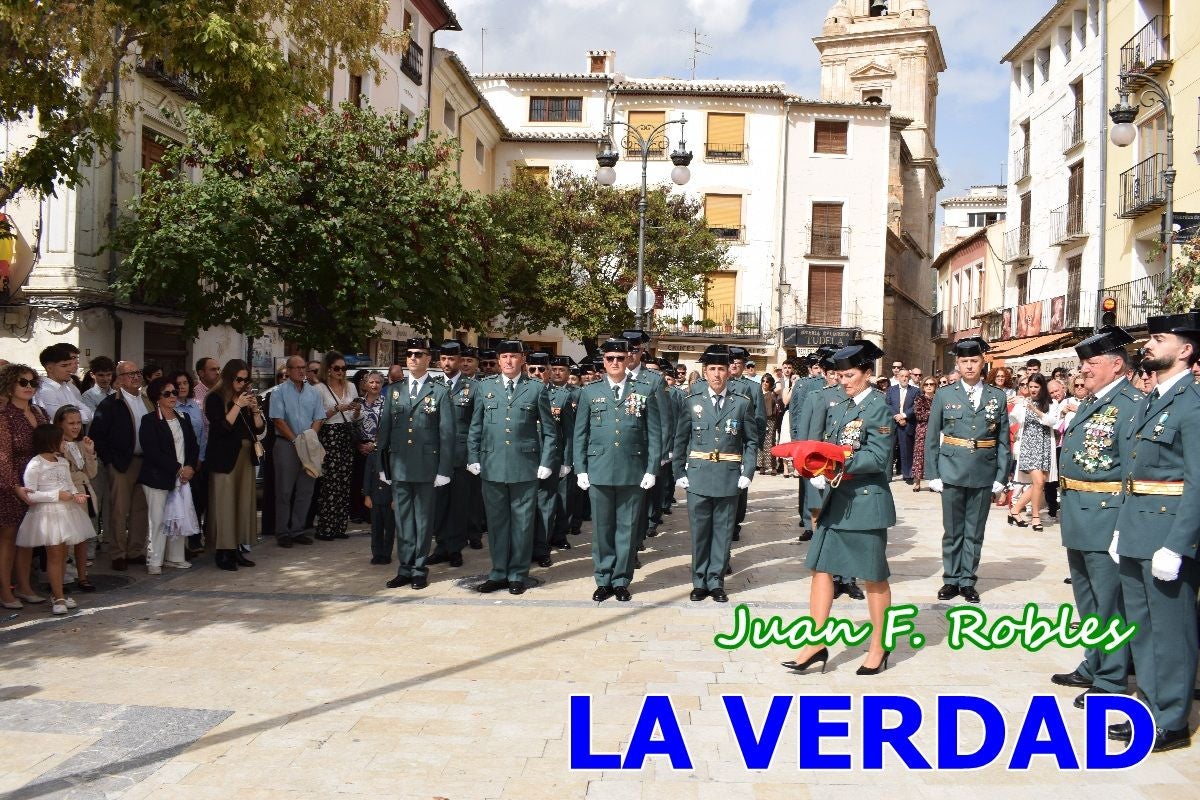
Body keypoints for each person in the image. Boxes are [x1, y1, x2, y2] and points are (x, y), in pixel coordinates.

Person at [1107, 310, 1200, 752]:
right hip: (1138, 531)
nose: (1149, 345)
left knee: (1170, 631)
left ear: (1185, 351)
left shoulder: (1192, 404)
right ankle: (1148, 707)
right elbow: (1133, 472)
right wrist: (1121, 529)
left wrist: (1179, 544)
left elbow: (1197, 483)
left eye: (1159, 339)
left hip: (1167, 537)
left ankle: (1173, 720)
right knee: (1140, 629)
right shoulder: (1150, 400)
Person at [782, 340, 897, 675]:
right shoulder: (842, 407)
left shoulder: (878, 408)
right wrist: (817, 468)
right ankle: (815, 643)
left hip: (865, 503)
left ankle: (879, 645)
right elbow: (829, 446)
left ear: (867, 374)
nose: (843, 381)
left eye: (849, 375)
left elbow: (877, 458)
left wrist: (835, 463)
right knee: (821, 569)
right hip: (837, 501)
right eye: (840, 376)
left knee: (873, 577)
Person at [1052, 326, 1140, 710]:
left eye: (1091, 362)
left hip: (1106, 515)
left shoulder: (1131, 405)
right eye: (1083, 362)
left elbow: (1131, 470)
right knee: (1087, 599)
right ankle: (1094, 663)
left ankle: (1111, 677)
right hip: (1078, 512)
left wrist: (1125, 523)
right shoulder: (1090, 401)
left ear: (1116, 364)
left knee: (1110, 603)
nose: (1083, 370)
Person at [573, 338, 662, 602]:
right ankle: (603, 579)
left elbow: (654, 434)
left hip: (632, 470)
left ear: (628, 360)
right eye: (610, 358)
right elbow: (580, 434)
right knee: (602, 529)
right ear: (603, 361)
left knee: (627, 528)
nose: (615, 363)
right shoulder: (589, 392)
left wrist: (651, 468)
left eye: (619, 358)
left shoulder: (643, 390)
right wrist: (581, 469)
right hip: (598, 470)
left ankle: (621, 580)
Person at [924, 336, 1010, 604]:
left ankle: (968, 580)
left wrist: (1001, 476)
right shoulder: (944, 394)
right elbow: (931, 437)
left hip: (983, 470)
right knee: (952, 529)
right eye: (964, 361)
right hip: (951, 469)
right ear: (957, 364)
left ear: (983, 362)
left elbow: (1004, 439)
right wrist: (933, 474)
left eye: (974, 361)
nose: (970, 366)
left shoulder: (997, 396)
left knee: (975, 530)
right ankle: (951, 578)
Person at [467, 340, 557, 595]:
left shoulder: (535, 389)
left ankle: (517, 573)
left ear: (522, 360)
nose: (508, 361)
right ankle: (498, 573)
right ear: (498, 361)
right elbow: (476, 427)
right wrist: (473, 457)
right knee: (496, 524)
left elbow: (550, 432)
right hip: (492, 465)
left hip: (525, 467)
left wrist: (546, 462)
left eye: (513, 356)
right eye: (504, 356)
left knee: (522, 523)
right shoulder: (485, 388)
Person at [674, 349, 755, 602]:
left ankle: (716, 582)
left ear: (729, 372)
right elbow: (680, 440)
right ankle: (699, 581)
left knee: (722, 531)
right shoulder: (691, 401)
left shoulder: (741, 403)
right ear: (705, 373)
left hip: (728, 476)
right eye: (712, 369)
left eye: (721, 369)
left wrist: (748, 471)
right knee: (700, 532)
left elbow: (752, 441)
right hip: (698, 476)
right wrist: (678, 470)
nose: (717, 374)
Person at [377, 338, 454, 590]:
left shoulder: (439, 391)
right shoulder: (395, 390)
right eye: (409, 354)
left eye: (418, 354)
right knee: (403, 520)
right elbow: (384, 430)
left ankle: (419, 569)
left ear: (428, 359)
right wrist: (382, 465)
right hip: (399, 465)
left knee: (422, 520)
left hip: (426, 466)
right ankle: (405, 568)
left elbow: (447, 433)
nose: (413, 358)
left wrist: (443, 469)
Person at [15, 424, 93, 614]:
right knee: (55, 555)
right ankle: (58, 597)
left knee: (63, 554)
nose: (64, 444)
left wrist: (76, 495)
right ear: (50, 442)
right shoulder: (35, 464)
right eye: (60, 441)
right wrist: (56, 495)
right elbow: (30, 495)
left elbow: (69, 485)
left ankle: (59, 593)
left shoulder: (62, 462)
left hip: (67, 512)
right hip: (48, 515)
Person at [203, 360, 265, 570]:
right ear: (229, 377)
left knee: (242, 503)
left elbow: (258, 429)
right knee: (224, 505)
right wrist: (237, 405)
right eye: (239, 379)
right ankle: (223, 552)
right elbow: (221, 427)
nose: (242, 383)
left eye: (246, 380)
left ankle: (237, 548)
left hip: (245, 457)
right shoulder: (214, 397)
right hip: (224, 459)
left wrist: (255, 409)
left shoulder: (246, 399)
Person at [91, 361, 152, 570]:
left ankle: (135, 551)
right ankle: (118, 553)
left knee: (140, 510)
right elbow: (97, 435)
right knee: (119, 510)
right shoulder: (110, 403)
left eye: (137, 373)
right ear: (120, 379)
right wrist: (110, 461)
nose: (135, 377)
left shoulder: (147, 400)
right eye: (129, 374)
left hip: (145, 462)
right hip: (121, 464)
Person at [138, 377, 200, 575]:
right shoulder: (149, 421)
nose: (173, 396)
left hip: (182, 478)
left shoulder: (183, 417)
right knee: (157, 520)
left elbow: (193, 445)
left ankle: (175, 557)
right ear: (157, 397)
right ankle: (154, 559)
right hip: (158, 478)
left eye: (174, 392)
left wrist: (189, 467)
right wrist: (177, 469)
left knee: (178, 517)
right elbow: (152, 451)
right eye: (167, 393)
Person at [1, 365, 51, 607]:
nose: (29, 386)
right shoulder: (4, 416)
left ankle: (24, 585)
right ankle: (5, 591)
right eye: (23, 382)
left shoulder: (40, 412)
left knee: (28, 538)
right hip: (10, 484)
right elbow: (3, 456)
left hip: (37, 482)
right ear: (10, 385)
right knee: (9, 538)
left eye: (32, 382)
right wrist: (14, 486)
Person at [428, 341, 478, 568]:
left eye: (452, 359)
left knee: (459, 505)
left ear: (460, 360)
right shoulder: (433, 386)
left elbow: (478, 425)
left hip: (461, 455)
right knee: (438, 504)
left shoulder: (473, 387)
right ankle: (441, 546)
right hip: (436, 455)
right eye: (444, 359)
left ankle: (455, 548)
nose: (447, 363)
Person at [269, 356, 324, 547]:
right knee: (284, 490)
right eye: (297, 368)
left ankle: (298, 529)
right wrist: (296, 440)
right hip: (286, 444)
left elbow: (319, 418)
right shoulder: (279, 392)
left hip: (308, 445)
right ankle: (283, 532)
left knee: (306, 489)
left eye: (304, 367)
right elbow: (278, 419)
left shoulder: (314, 393)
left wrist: (309, 439)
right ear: (289, 370)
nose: (302, 371)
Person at [313, 351, 360, 541]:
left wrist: (356, 410)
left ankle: (340, 527)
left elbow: (357, 417)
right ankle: (326, 527)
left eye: (344, 368)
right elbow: (317, 417)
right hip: (330, 434)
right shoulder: (320, 389)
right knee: (330, 482)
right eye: (337, 368)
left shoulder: (351, 387)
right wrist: (335, 409)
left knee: (344, 481)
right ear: (329, 370)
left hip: (346, 433)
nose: (341, 372)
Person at [54, 405, 99, 591]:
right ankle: (62, 578)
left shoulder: (81, 443)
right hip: (68, 494)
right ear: (60, 424)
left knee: (82, 538)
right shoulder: (56, 445)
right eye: (71, 423)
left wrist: (89, 453)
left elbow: (91, 472)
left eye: (79, 423)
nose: (76, 427)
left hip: (84, 493)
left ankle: (82, 576)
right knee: (66, 540)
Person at [1009, 374, 1058, 532]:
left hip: (1044, 446)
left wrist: (1034, 409)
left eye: (1036, 387)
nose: (1032, 390)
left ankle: (1015, 510)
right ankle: (1035, 516)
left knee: (1040, 483)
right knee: (1038, 482)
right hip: (1029, 447)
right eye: (1030, 386)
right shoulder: (1023, 403)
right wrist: (1008, 403)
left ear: (1042, 387)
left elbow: (1052, 421)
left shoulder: (1052, 403)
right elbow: (1011, 420)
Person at [356, 371, 394, 565]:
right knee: (366, 481)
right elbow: (352, 426)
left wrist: (375, 444)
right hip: (360, 448)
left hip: (380, 448)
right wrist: (359, 445)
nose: (374, 385)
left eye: (378, 382)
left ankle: (385, 552)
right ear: (365, 384)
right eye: (371, 382)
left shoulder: (387, 403)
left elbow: (389, 426)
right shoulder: (358, 403)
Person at [34, 343, 91, 426]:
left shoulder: (66, 387)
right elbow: (60, 420)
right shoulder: (45, 390)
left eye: (70, 364)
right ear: (49, 368)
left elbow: (88, 414)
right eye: (64, 366)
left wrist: (72, 415)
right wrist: (76, 412)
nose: (70, 369)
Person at [885, 367, 917, 483]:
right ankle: (887, 475)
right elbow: (887, 405)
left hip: (907, 423)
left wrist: (904, 415)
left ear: (909, 377)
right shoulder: (891, 390)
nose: (904, 378)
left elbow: (916, 406)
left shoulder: (915, 391)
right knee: (890, 449)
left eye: (906, 376)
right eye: (902, 376)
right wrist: (896, 416)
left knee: (906, 449)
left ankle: (907, 474)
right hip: (893, 423)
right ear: (898, 377)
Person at [911, 376, 937, 492]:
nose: (929, 386)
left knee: (934, 455)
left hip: (937, 430)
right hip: (922, 430)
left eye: (931, 384)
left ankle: (933, 481)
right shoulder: (919, 399)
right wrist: (933, 413)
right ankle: (917, 482)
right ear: (923, 386)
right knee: (919, 455)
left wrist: (930, 413)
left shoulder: (939, 399)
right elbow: (919, 415)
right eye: (926, 384)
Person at [757, 374, 781, 474]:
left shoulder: (772, 393)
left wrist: (776, 377)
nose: (765, 383)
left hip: (771, 420)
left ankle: (773, 466)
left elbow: (779, 388)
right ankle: (761, 465)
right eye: (763, 381)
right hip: (759, 420)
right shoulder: (758, 393)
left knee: (770, 443)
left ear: (770, 383)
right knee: (760, 443)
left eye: (767, 381)